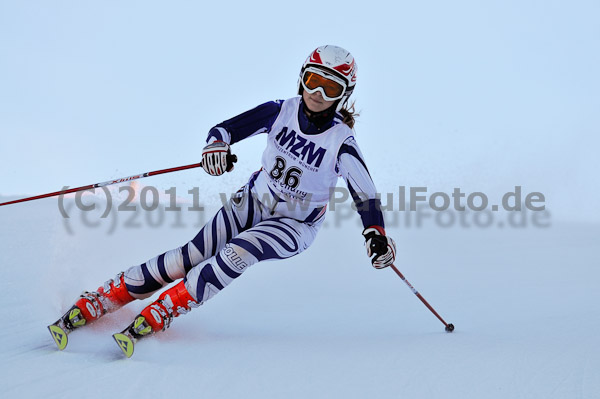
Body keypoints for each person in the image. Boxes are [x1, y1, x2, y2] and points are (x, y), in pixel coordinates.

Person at [49, 45, 397, 353]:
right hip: (254, 200)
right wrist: (217, 148)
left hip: (295, 224)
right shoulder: (281, 110)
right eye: (312, 81)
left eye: (331, 87)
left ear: (344, 94)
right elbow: (224, 130)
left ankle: (169, 306)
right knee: (190, 255)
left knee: (239, 251)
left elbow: (364, 193)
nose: (318, 92)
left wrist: (375, 234)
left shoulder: (342, 141)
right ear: (301, 79)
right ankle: (106, 296)